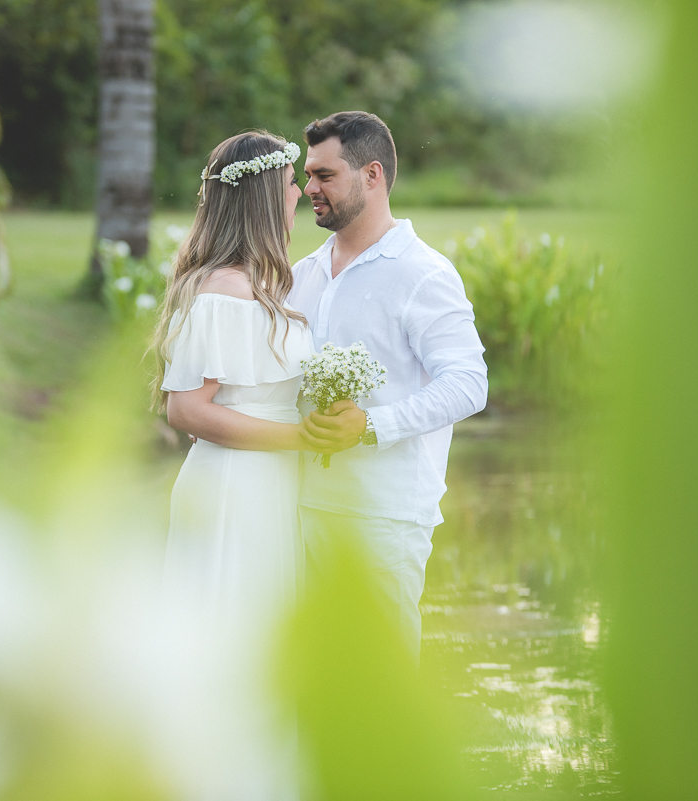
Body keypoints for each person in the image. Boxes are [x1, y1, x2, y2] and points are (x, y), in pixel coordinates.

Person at [288, 111, 489, 661]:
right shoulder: (304, 273)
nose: (310, 189)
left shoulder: (423, 273)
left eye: (325, 176)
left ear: (371, 175)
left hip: (384, 515)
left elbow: (470, 383)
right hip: (297, 508)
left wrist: (371, 426)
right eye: (309, 176)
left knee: (381, 680)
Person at [152, 130, 312, 801]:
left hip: (268, 487)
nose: (301, 194)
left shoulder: (265, 284)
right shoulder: (223, 288)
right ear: (262, 197)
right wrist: (301, 440)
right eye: (290, 184)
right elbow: (186, 410)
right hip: (234, 487)